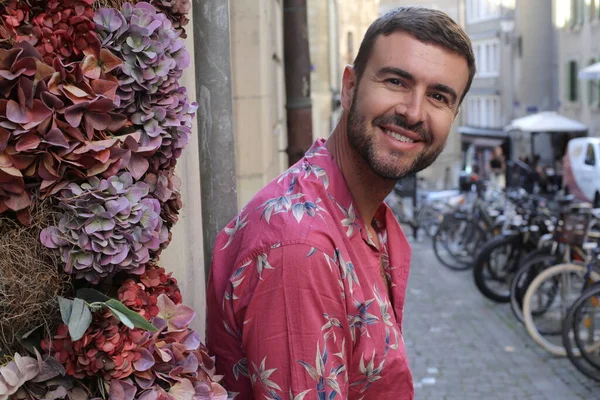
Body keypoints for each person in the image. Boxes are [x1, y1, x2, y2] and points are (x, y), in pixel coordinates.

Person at [206, 7, 474, 399]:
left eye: (438, 96)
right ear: (350, 87)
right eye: (397, 81)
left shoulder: (361, 216)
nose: (413, 112)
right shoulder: (300, 247)